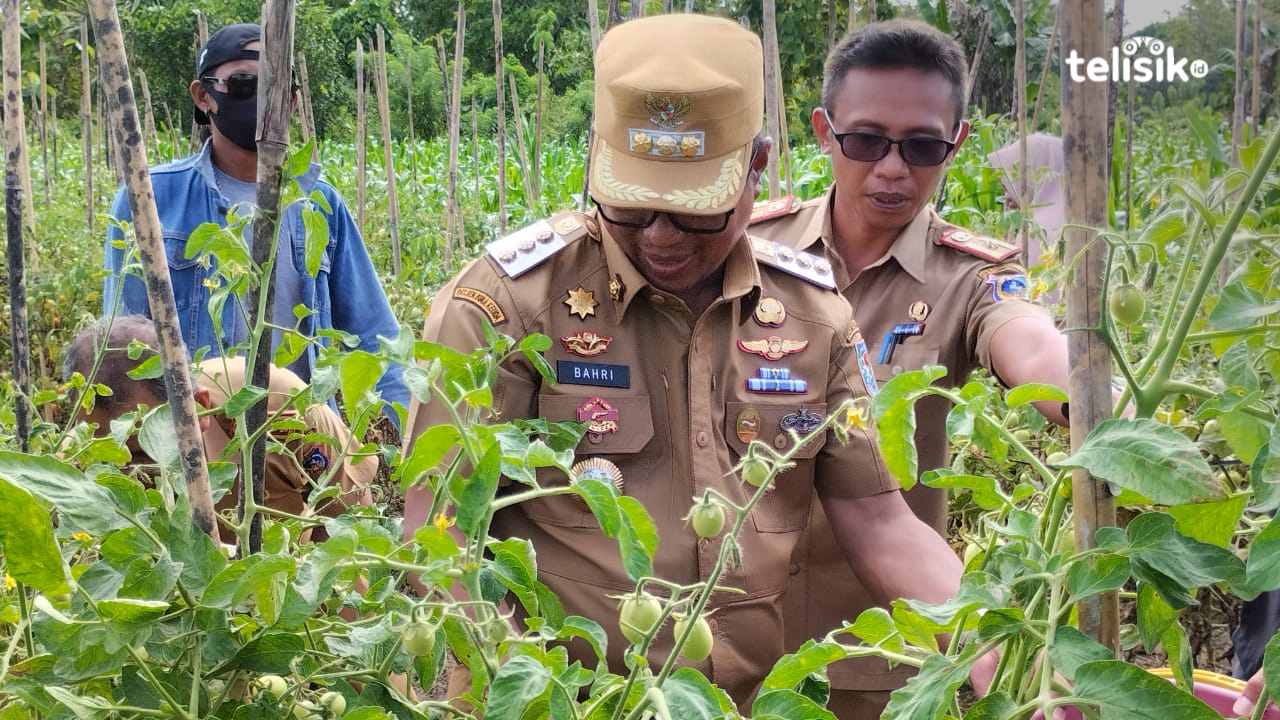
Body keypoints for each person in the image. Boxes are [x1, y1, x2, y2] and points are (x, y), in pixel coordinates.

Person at [400, 14, 985, 709]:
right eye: (633, 207)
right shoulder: (505, 306)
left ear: (757, 167)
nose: (661, 236)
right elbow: (438, 536)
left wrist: (990, 647)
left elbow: (879, 520)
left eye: (693, 211)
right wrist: (525, 684)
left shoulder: (811, 313)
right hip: (562, 695)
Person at [749, 20, 1072, 718]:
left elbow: (1034, 345)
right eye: (866, 141)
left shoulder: (969, 276)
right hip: (733, 640)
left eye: (922, 146)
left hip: (879, 653)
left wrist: (1104, 411)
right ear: (824, 132)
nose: (893, 169)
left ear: (954, 145)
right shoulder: (750, 252)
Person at [100, 22, 408, 422]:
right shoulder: (149, 199)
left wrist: (405, 449)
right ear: (203, 95)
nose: (262, 99)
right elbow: (124, 344)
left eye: (277, 86)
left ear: (294, 101)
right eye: (244, 83)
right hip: (201, 436)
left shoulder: (319, 203)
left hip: (303, 440)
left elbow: (374, 336)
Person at [63, 315, 374, 533]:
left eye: (141, 452)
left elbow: (347, 528)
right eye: (102, 450)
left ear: (198, 409)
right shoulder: (77, 462)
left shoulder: (277, 406)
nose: (124, 472)